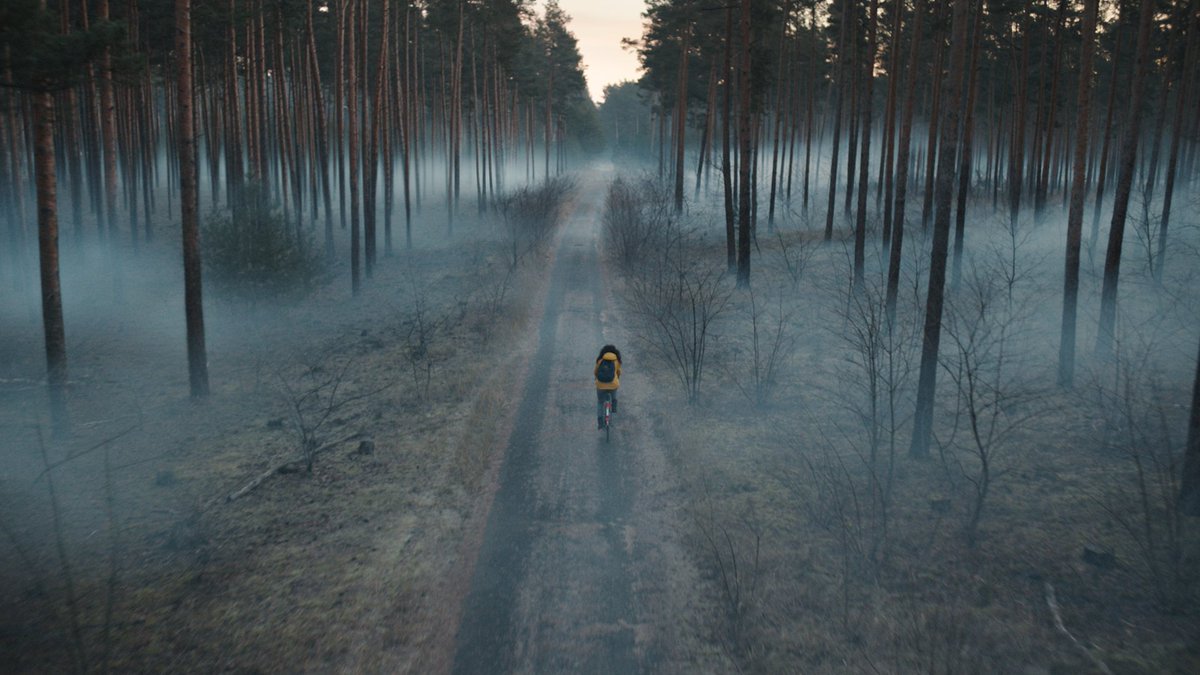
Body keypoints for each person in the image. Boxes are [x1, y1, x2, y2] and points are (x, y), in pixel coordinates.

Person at [594, 344, 622, 429]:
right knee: (614, 394)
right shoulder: (617, 361)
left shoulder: (600, 360)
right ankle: (614, 406)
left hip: (601, 385)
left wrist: (596, 378)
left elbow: (595, 371)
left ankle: (600, 422)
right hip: (613, 385)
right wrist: (617, 378)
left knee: (600, 402)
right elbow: (619, 372)